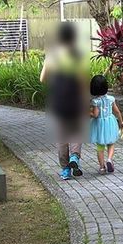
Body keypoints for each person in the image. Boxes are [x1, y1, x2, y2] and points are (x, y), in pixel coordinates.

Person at [41, 22, 89, 181]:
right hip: (75, 100)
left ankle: (66, 170)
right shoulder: (78, 55)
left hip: (58, 100)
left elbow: (43, 79)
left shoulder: (52, 55)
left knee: (62, 136)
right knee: (75, 131)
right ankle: (75, 157)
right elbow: (83, 81)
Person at [89, 74, 123, 173]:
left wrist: (89, 113)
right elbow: (117, 111)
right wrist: (121, 122)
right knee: (111, 143)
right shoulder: (111, 99)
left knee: (100, 146)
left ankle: (102, 167)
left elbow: (96, 115)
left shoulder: (95, 101)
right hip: (110, 122)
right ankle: (109, 159)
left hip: (99, 125)